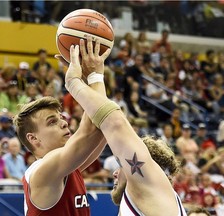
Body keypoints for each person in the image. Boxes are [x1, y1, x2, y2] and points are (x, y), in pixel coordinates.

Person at [64, 39, 187, 215]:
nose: (115, 173)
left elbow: (115, 123)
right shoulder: (147, 198)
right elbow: (104, 124)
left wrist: (73, 83)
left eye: (122, 165)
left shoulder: (150, 182)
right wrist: (94, 77)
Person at [12, 36, 110, 215]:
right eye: (52, 122)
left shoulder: (67, 168)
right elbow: (93, 126)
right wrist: (94, 75)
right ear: (33, 138)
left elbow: (102, 128)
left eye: (61, 118)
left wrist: (89, 78)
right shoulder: (43, 170)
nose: (64, 123)